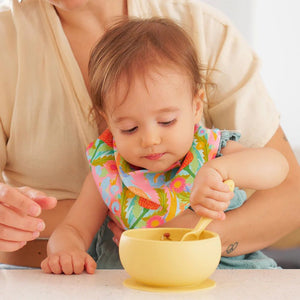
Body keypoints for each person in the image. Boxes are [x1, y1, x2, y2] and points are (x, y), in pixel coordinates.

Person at [0, 0, 299, 269]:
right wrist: (67, 252)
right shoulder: (109, 169)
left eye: (167, 121)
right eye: (129, 128)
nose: (150, 139)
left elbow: (279, 169)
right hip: (129, 283)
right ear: (108, 123)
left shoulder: (207, 149)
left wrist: (219, 171)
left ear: (196, 107)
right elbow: (74, 230)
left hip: (224, 275)